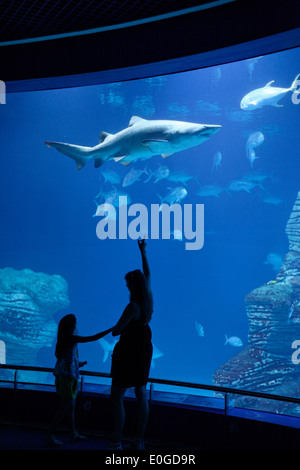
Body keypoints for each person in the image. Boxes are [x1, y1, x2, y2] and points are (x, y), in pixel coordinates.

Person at [109, 238, 153, 450]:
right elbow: (148, 275)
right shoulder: (148, 300)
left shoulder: (133, 306)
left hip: (129, 351)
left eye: (127, 283)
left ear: (132, 285)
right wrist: (143, 252)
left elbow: (117, 330)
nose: (126, 286)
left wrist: (114, 328)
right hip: (144, 348)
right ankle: (140, 440)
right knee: (141, 392)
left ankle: (117, 441)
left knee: (117, 394)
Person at [47, 314, 113, 446]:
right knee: (63, 407)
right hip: (67, 378)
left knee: (71, 407)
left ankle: (73, 433)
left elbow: (66, 358)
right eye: (75, 323)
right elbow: (92, 338)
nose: (77, 325)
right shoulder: (71, 338)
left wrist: (78, 363)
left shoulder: (62, 339)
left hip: (67, 375)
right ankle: (50, 435)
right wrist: (111, 329)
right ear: (71, 326)